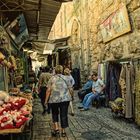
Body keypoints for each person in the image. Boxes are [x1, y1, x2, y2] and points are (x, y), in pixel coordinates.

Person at [45, 65, 72, 137]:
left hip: (54, 100)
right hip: (65, 99)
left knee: (55, 113)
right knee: (64, 114)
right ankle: (63, 132)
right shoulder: (66, 78)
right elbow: (71, 89)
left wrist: (45, 100)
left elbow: (48, 90)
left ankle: (56, 129)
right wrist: (72, 97)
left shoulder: (51, 79)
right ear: (62, 70)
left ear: (55, 71)